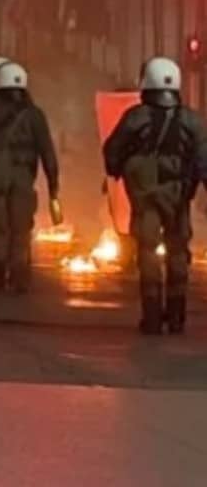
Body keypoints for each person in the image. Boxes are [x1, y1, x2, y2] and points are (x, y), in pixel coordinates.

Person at [103, 57, 207, 335]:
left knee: (147, 251)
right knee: (178, 251)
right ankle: (176, 316)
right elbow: (203, 158)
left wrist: (116, 170)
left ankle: (151, 316)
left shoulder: (135, 117)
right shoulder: (192, 120)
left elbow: (113, 150)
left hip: (145, 196)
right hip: (178, 196)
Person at [0, 61, 61, 296]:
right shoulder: (35, 115)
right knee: (21, 229)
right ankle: (19, 279)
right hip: (23, 182)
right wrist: (53, 189)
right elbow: (48, 153)